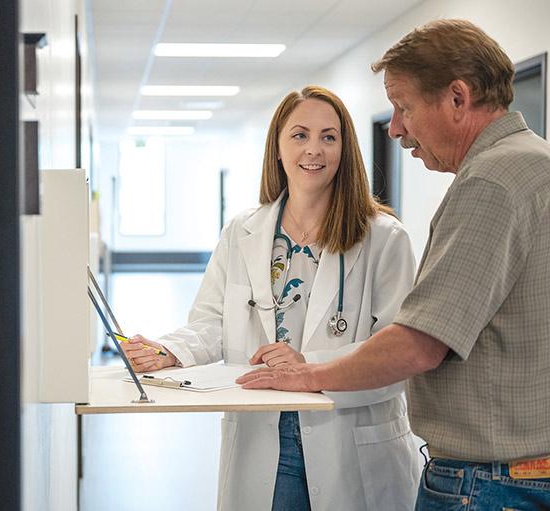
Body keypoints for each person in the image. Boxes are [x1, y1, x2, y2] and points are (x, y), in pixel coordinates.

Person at [236, 19, 550, 510]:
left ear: (457, 98)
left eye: (404, 106)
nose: (396, 126)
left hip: (490, 482)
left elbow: (420, 344)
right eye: (298, 136)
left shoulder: (490, 181)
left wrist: (306, 373)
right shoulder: (534, 162)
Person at [121, 86, 421, 511]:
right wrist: (170, 350)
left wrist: (310, 368)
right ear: (277, 148)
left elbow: (398, 353)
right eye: (299, 135)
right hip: (264, 437)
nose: (313, 149)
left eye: (328, 137)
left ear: (345, 148)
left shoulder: (384, 238)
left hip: (348, 434)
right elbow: (212, 321)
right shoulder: (243, 232)